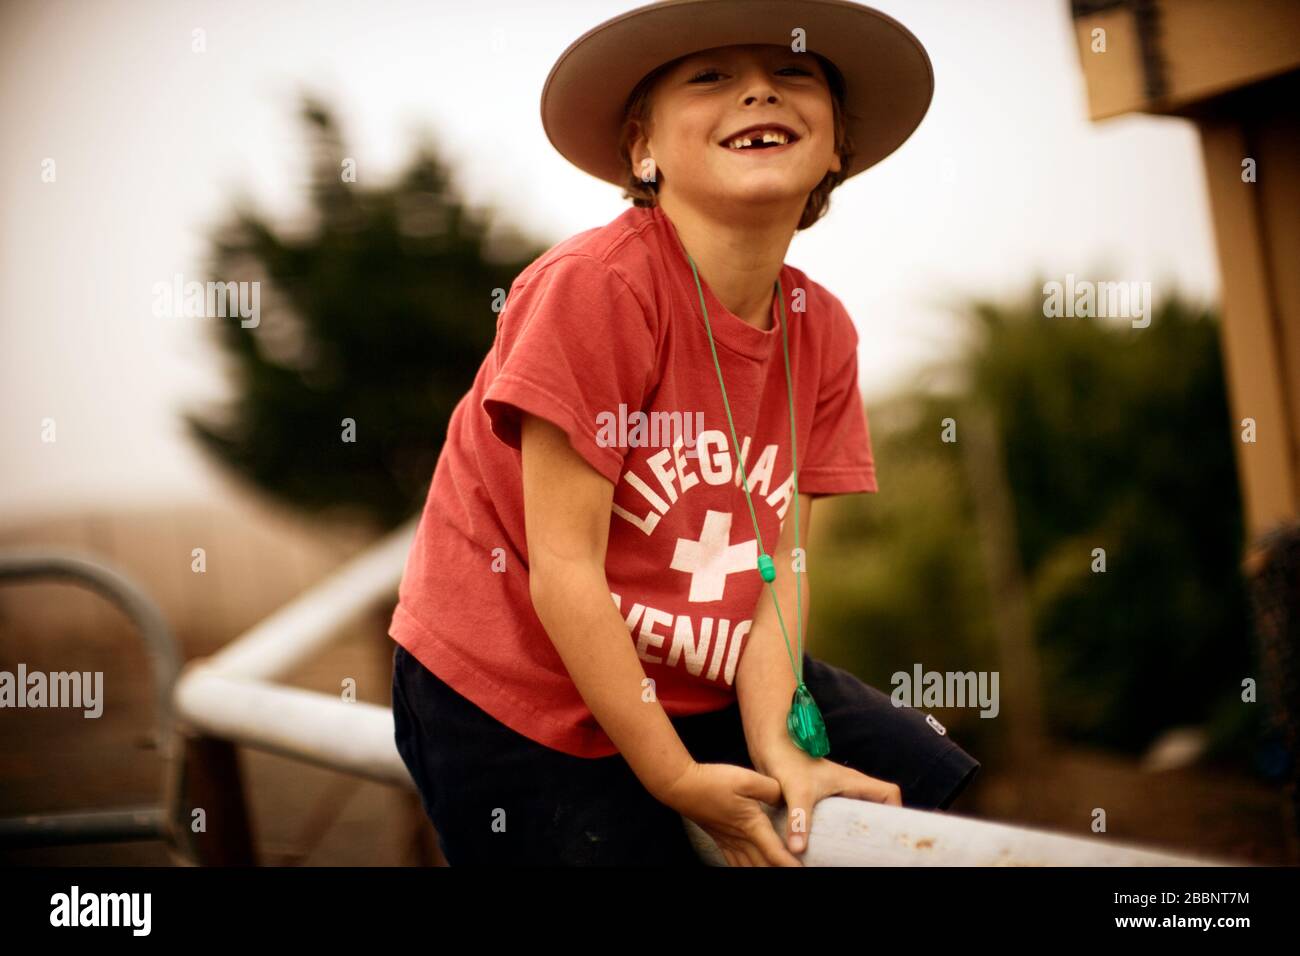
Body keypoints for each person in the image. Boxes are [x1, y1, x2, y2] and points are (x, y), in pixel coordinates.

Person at [390, 0, 980, 866]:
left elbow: (779, 563)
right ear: (644, 148)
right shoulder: (596, 291)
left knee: (927, 791)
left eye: (793, 73)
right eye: (711, 77)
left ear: (836, 145)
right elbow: (564, 572)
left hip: (699, 662)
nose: (757, 93)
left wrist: (779, 741)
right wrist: (671, 775)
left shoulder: (823, 329)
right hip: (522, 683)